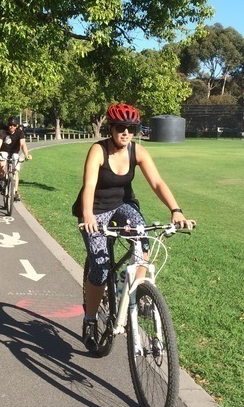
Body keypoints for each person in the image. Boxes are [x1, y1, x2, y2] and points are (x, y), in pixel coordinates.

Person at [74, 103, 195, 353]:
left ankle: (135, 294)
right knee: (99, 267)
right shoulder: (98, 150)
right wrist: (87, 215)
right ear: (111, 128)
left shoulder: (137, 151)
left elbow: (157, 182)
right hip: (95, 210)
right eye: (121, 128)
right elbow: (88, 184)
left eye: (132, 128)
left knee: (142, 236)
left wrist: (176, 209)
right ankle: (90, 318)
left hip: (123, 206)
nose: (126, 133)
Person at [0, 117, 32, 201]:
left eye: (14, 125)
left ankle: (15, 192)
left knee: (15, 171)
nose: (12, 126)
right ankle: (2, 179)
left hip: (14, 153)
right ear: (8, 125)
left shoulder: (20, 132)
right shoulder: (2, 132)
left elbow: (23, 144)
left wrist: (26, 154)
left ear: (17, 126)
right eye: (10, 125)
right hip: (4, 151)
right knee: (2, 164)